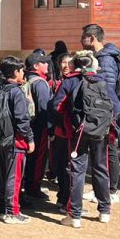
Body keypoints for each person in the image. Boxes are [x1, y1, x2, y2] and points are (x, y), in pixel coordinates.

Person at [61, 54, 120, 227]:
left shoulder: (71, 82)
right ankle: (104, 211)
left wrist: (69, 125)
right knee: (101, 169)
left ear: (76, 66)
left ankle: (75, 215)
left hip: (78, 133)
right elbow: (115, 107)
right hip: (102, 133)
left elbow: (57, 106)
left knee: (77, 172)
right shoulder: (103, 83)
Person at [0, 56, 35, 225]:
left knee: (0, 175)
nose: (23, 73)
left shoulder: (0, 90)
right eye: (22, 71)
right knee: (13, 177)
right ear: (16, 72)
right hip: (15, 141)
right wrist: (29, 139)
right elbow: (22, 119)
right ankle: (12, 212)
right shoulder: (17, 92)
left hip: (0, 139)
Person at [81, 24, 120, 202]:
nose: (81, 41)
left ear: (92, 38)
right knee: (104, 152)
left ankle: (110, 191)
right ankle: (104, 189)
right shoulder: (102, 57)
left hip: (106, 111)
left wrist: (107, 113)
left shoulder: (105, 59)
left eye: (83, 37)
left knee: (108, 151)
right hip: (103, 110)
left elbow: (107, 88)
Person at [47, 52, 83, 211]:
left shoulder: (73, 81)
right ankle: (65, 200)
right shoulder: (57, 83)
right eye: (63, 62)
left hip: (66, 130)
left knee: (66, 166)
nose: (66, 66)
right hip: (62, 130)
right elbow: (54, 107)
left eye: (69, 63)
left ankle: (65, 199)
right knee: (64, 166)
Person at [21, 49, 53, 201]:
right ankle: (33, 187)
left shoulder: (26, 80)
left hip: (27, 127)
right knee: (38, 159)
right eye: (44, 62)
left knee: (29, 158)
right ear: (35, 66)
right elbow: (44, 110)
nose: (47, 64)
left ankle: (27, 184)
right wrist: (50, 129)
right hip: (39, 129)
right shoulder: (40, 84)